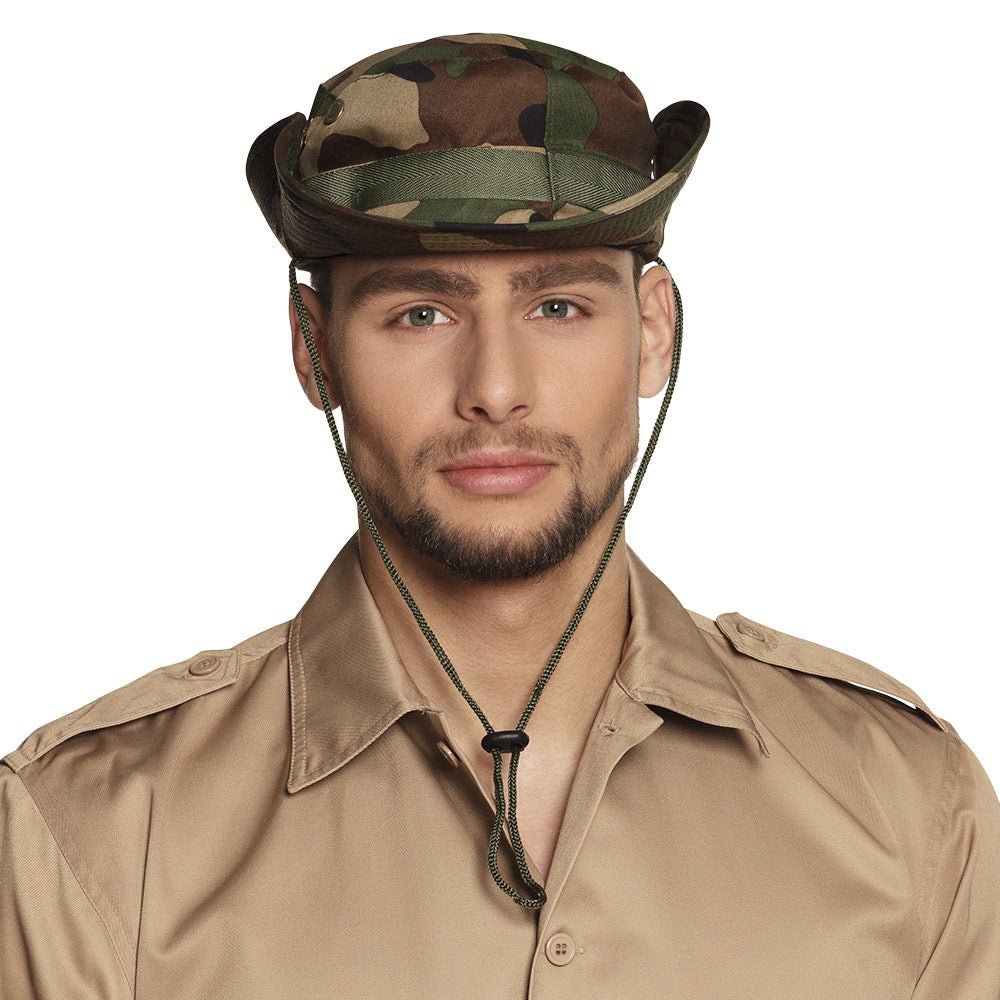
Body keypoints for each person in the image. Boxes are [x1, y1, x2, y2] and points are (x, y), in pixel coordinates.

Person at [2, 32, 997, 999]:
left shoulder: (906, 803)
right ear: (315, 350)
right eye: (420, 314)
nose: (494, 389)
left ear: (653, 333)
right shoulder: (91, 835)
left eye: (557, 307)